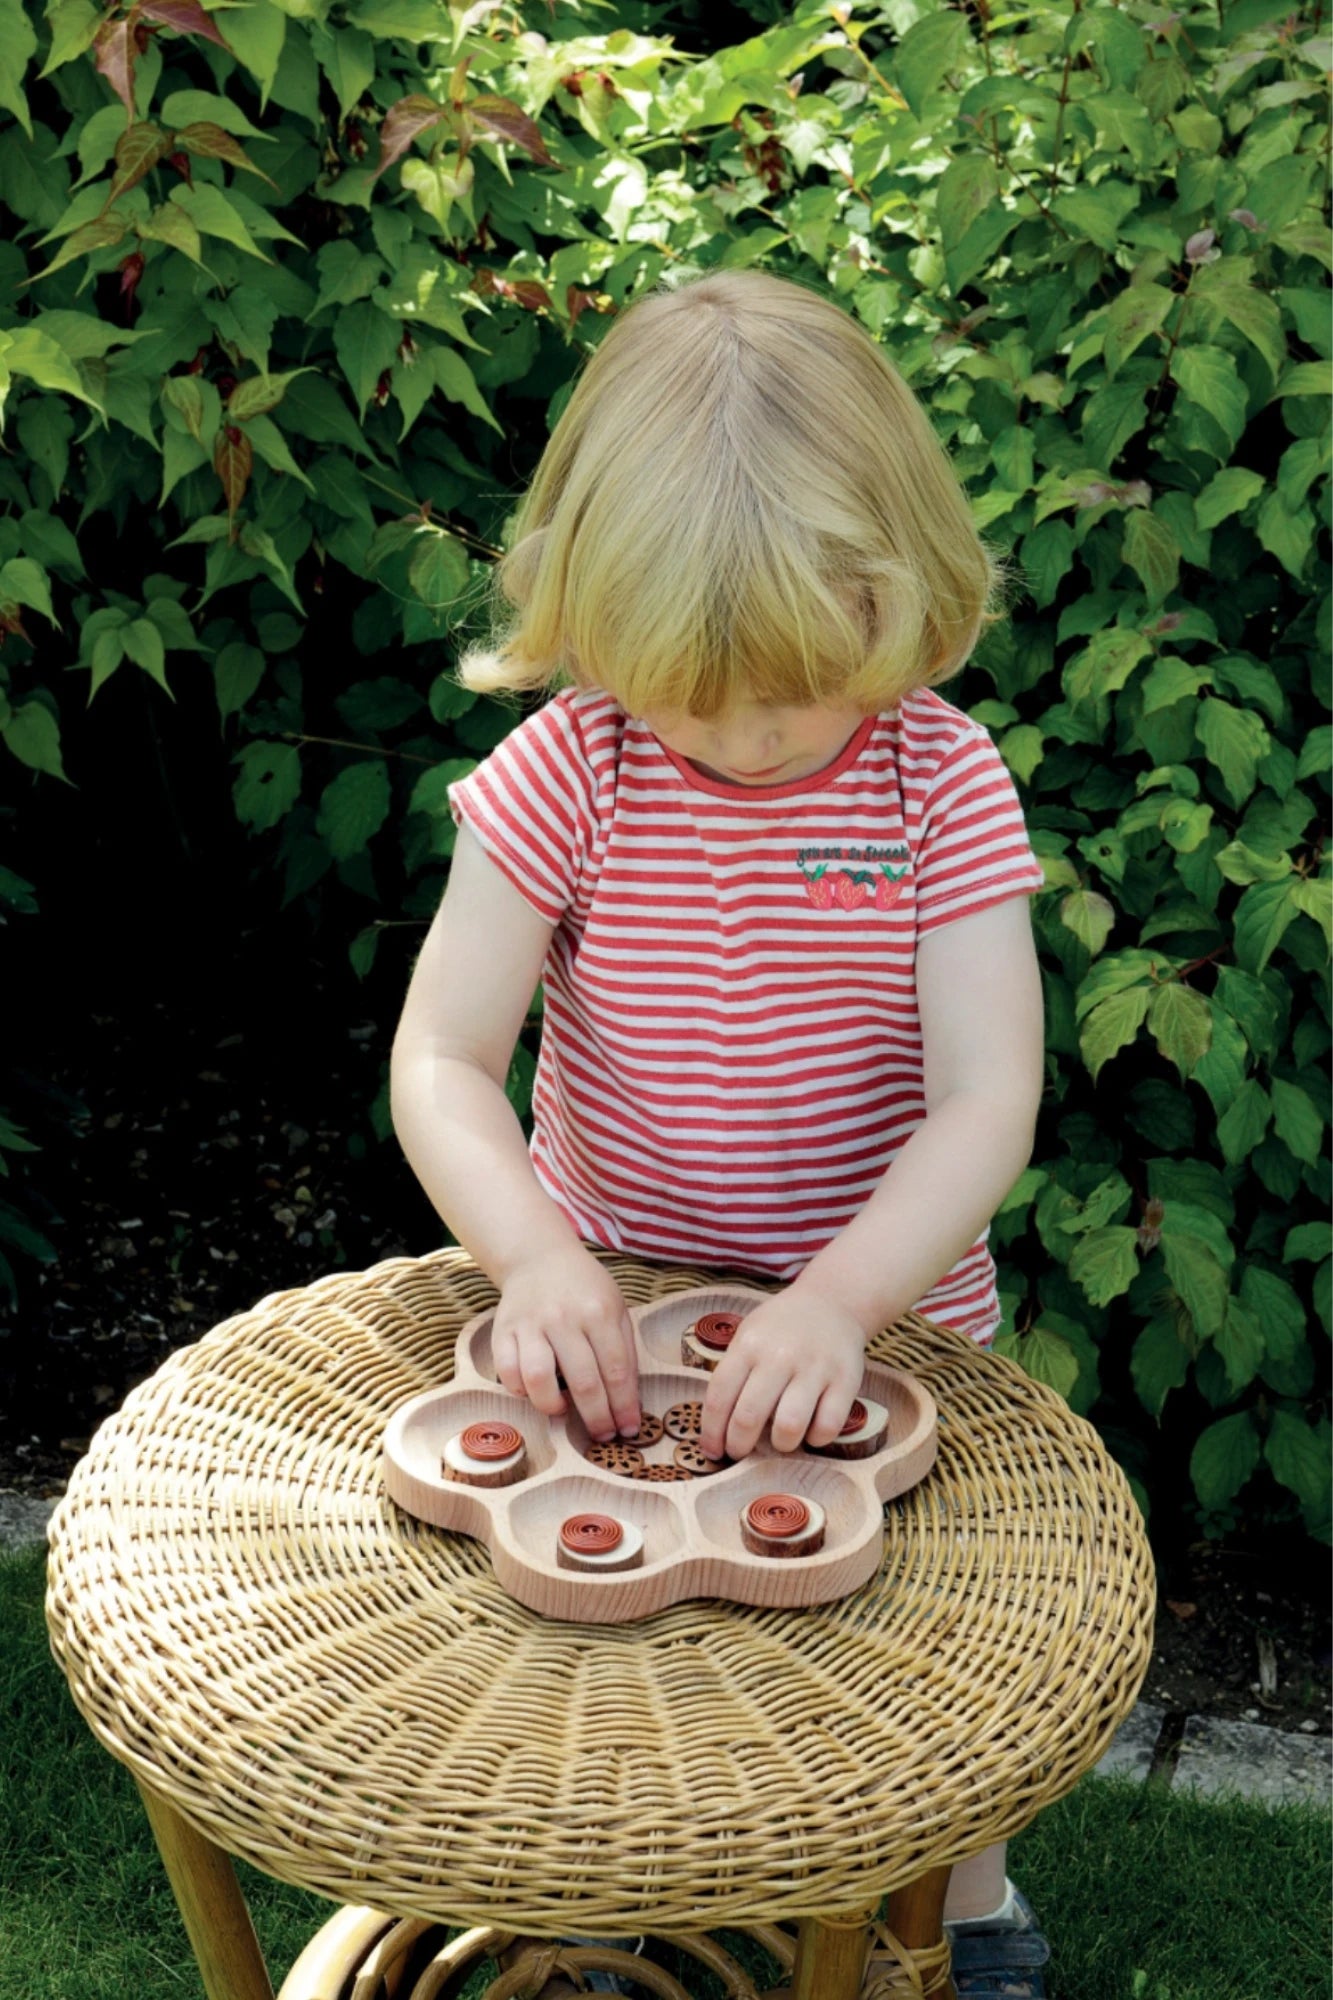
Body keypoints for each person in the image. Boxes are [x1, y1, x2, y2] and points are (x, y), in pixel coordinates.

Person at [390, 266, 1051, 1999]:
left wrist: (837, 1304)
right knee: (618, 1649)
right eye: (697, 699)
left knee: (901, 1660)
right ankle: (621, 1911)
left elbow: (989, 1095)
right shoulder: (570, 769)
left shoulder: (936, 780)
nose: (753, 742)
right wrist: (531, 1258)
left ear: (896, 602)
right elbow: (444, 1056)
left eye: (801, 692)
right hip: (612, 1316)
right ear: (598, 631)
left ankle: (959, 1911)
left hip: (890, 1323)